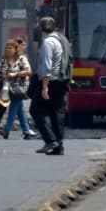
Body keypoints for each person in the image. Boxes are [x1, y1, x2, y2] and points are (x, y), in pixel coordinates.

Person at [31, 16, 70, 155]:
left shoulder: (47, 42)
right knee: (56, 113)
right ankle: (58, 145)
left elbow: (47, 66)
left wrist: (44, 87)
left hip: (50, 81)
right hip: (61, 80)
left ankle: (50, 140)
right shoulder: (62, 39)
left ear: (41, 28)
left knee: (35, 110)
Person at [0, 39, 37, 140]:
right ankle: (26, 131)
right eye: (7, 48)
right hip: (7, 88)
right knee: (20, 110)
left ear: (15, 49)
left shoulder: (21, 59)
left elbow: (29, 71)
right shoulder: (3, 61)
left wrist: (16, 74)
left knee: (13, 108)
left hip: (19, 88)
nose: (8, 50)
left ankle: (6, 130)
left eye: (11, 48)